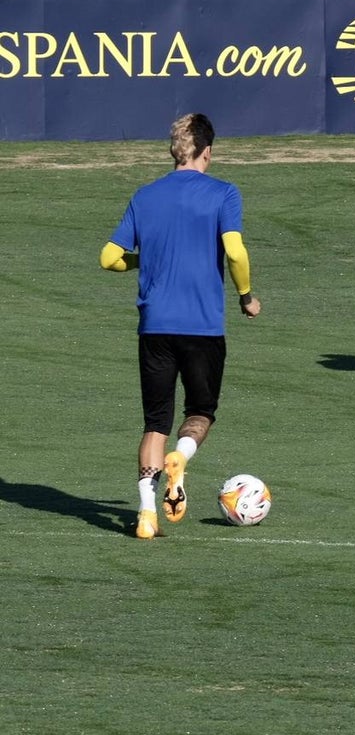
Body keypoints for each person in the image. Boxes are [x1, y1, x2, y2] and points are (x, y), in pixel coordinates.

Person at [100, 113, 261, 539]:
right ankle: (182, 457)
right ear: (207, 151)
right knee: (200, 412)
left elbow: (108, 257)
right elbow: (236, 252)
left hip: (154, 327)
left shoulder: (145, 195)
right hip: (202, 327)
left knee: (155, 422)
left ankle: (147, 514)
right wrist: (246, 296)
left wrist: (143, 259)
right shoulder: (223, 193)